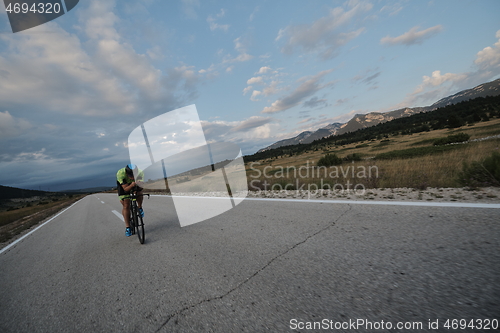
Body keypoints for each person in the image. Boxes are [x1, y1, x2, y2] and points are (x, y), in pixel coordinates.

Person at [116, 164, 145, 237]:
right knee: (126, 205)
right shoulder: (120, 173)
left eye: (133, 176)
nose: (132, 177)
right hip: (124, 186)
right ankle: (128, 227)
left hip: (135, 184)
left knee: (139, 193)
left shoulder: (140, 173)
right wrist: (132, 185)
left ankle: (140, 207)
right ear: (127, 173)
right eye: (130, 175)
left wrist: (139, 186)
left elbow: (141, 188)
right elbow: (125, 189)